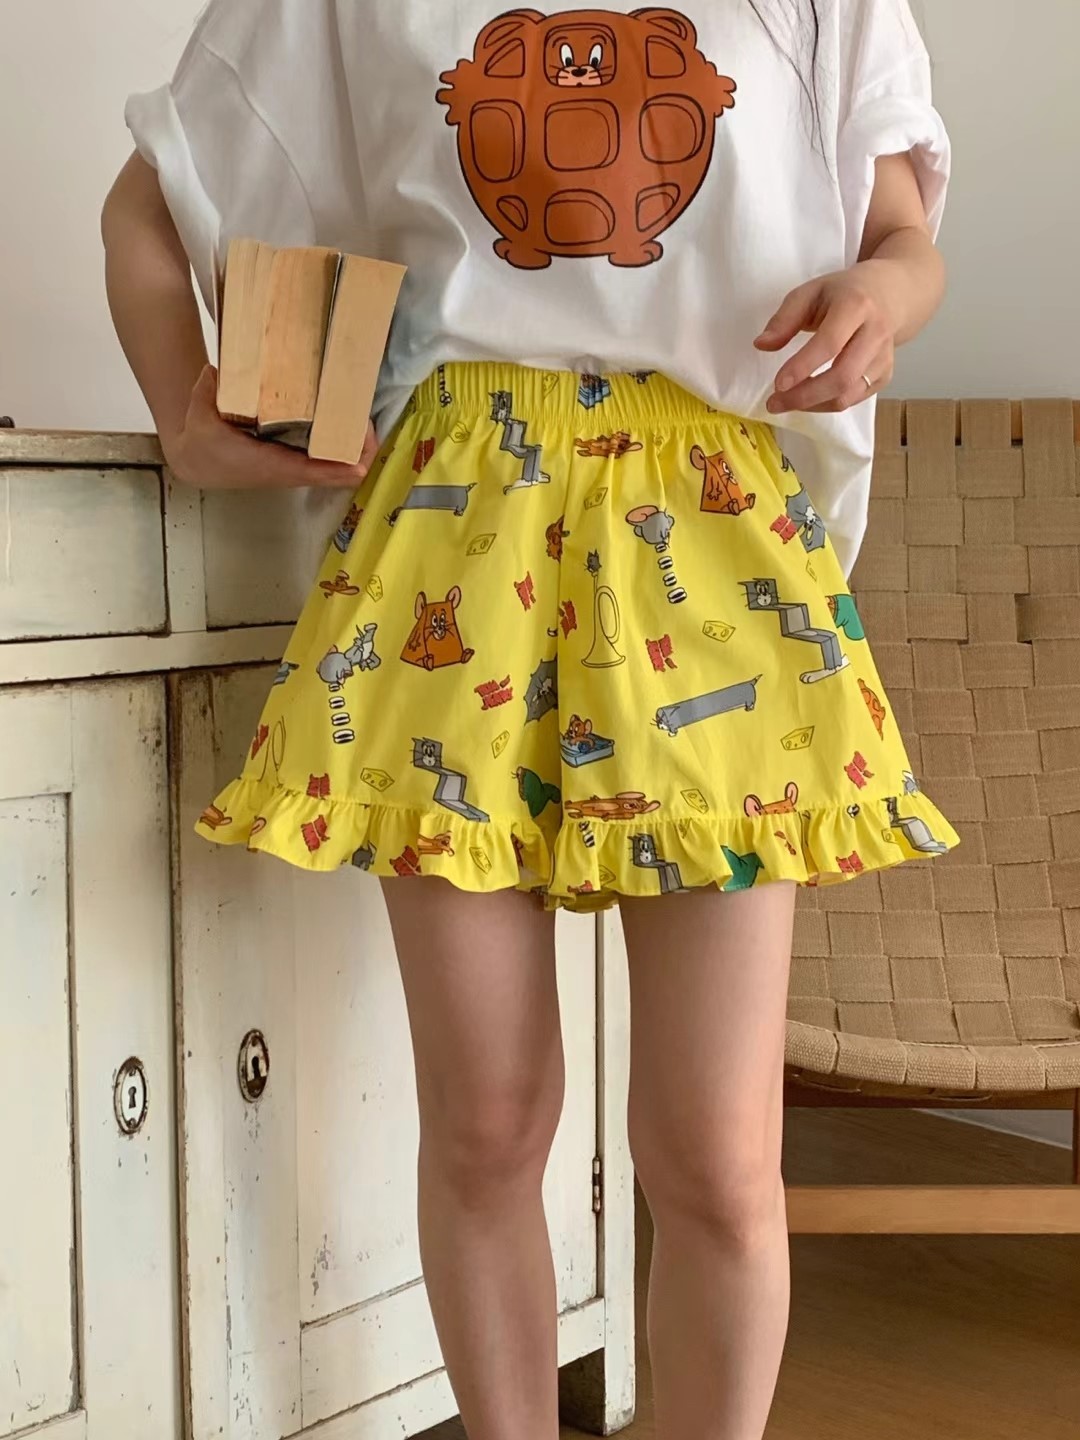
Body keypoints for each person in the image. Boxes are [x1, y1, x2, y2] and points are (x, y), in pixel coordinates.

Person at [103, 3, 956, 1435]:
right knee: (487, 1119)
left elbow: (904, 235)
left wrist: (885, 295)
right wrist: (185, 418)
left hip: (715, 541)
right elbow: (150, 192)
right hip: (457, 531)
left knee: (717, 1156)